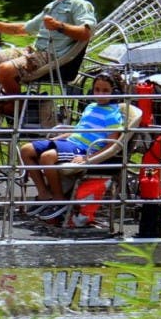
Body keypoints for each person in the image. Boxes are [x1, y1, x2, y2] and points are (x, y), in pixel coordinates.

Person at [18, 70, 127, 222]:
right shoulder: (91, 107)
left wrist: (87, 158)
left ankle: (59, 199)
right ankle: (44, 194)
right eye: (97, 89)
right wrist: (58, 138)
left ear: (114, 92)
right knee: (26, 150)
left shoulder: (112, 115)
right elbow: (78, 131)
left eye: (105, 91)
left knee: (47, 157)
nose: (100, 94)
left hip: (83, 149)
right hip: (70, 142)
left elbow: (112, 146)